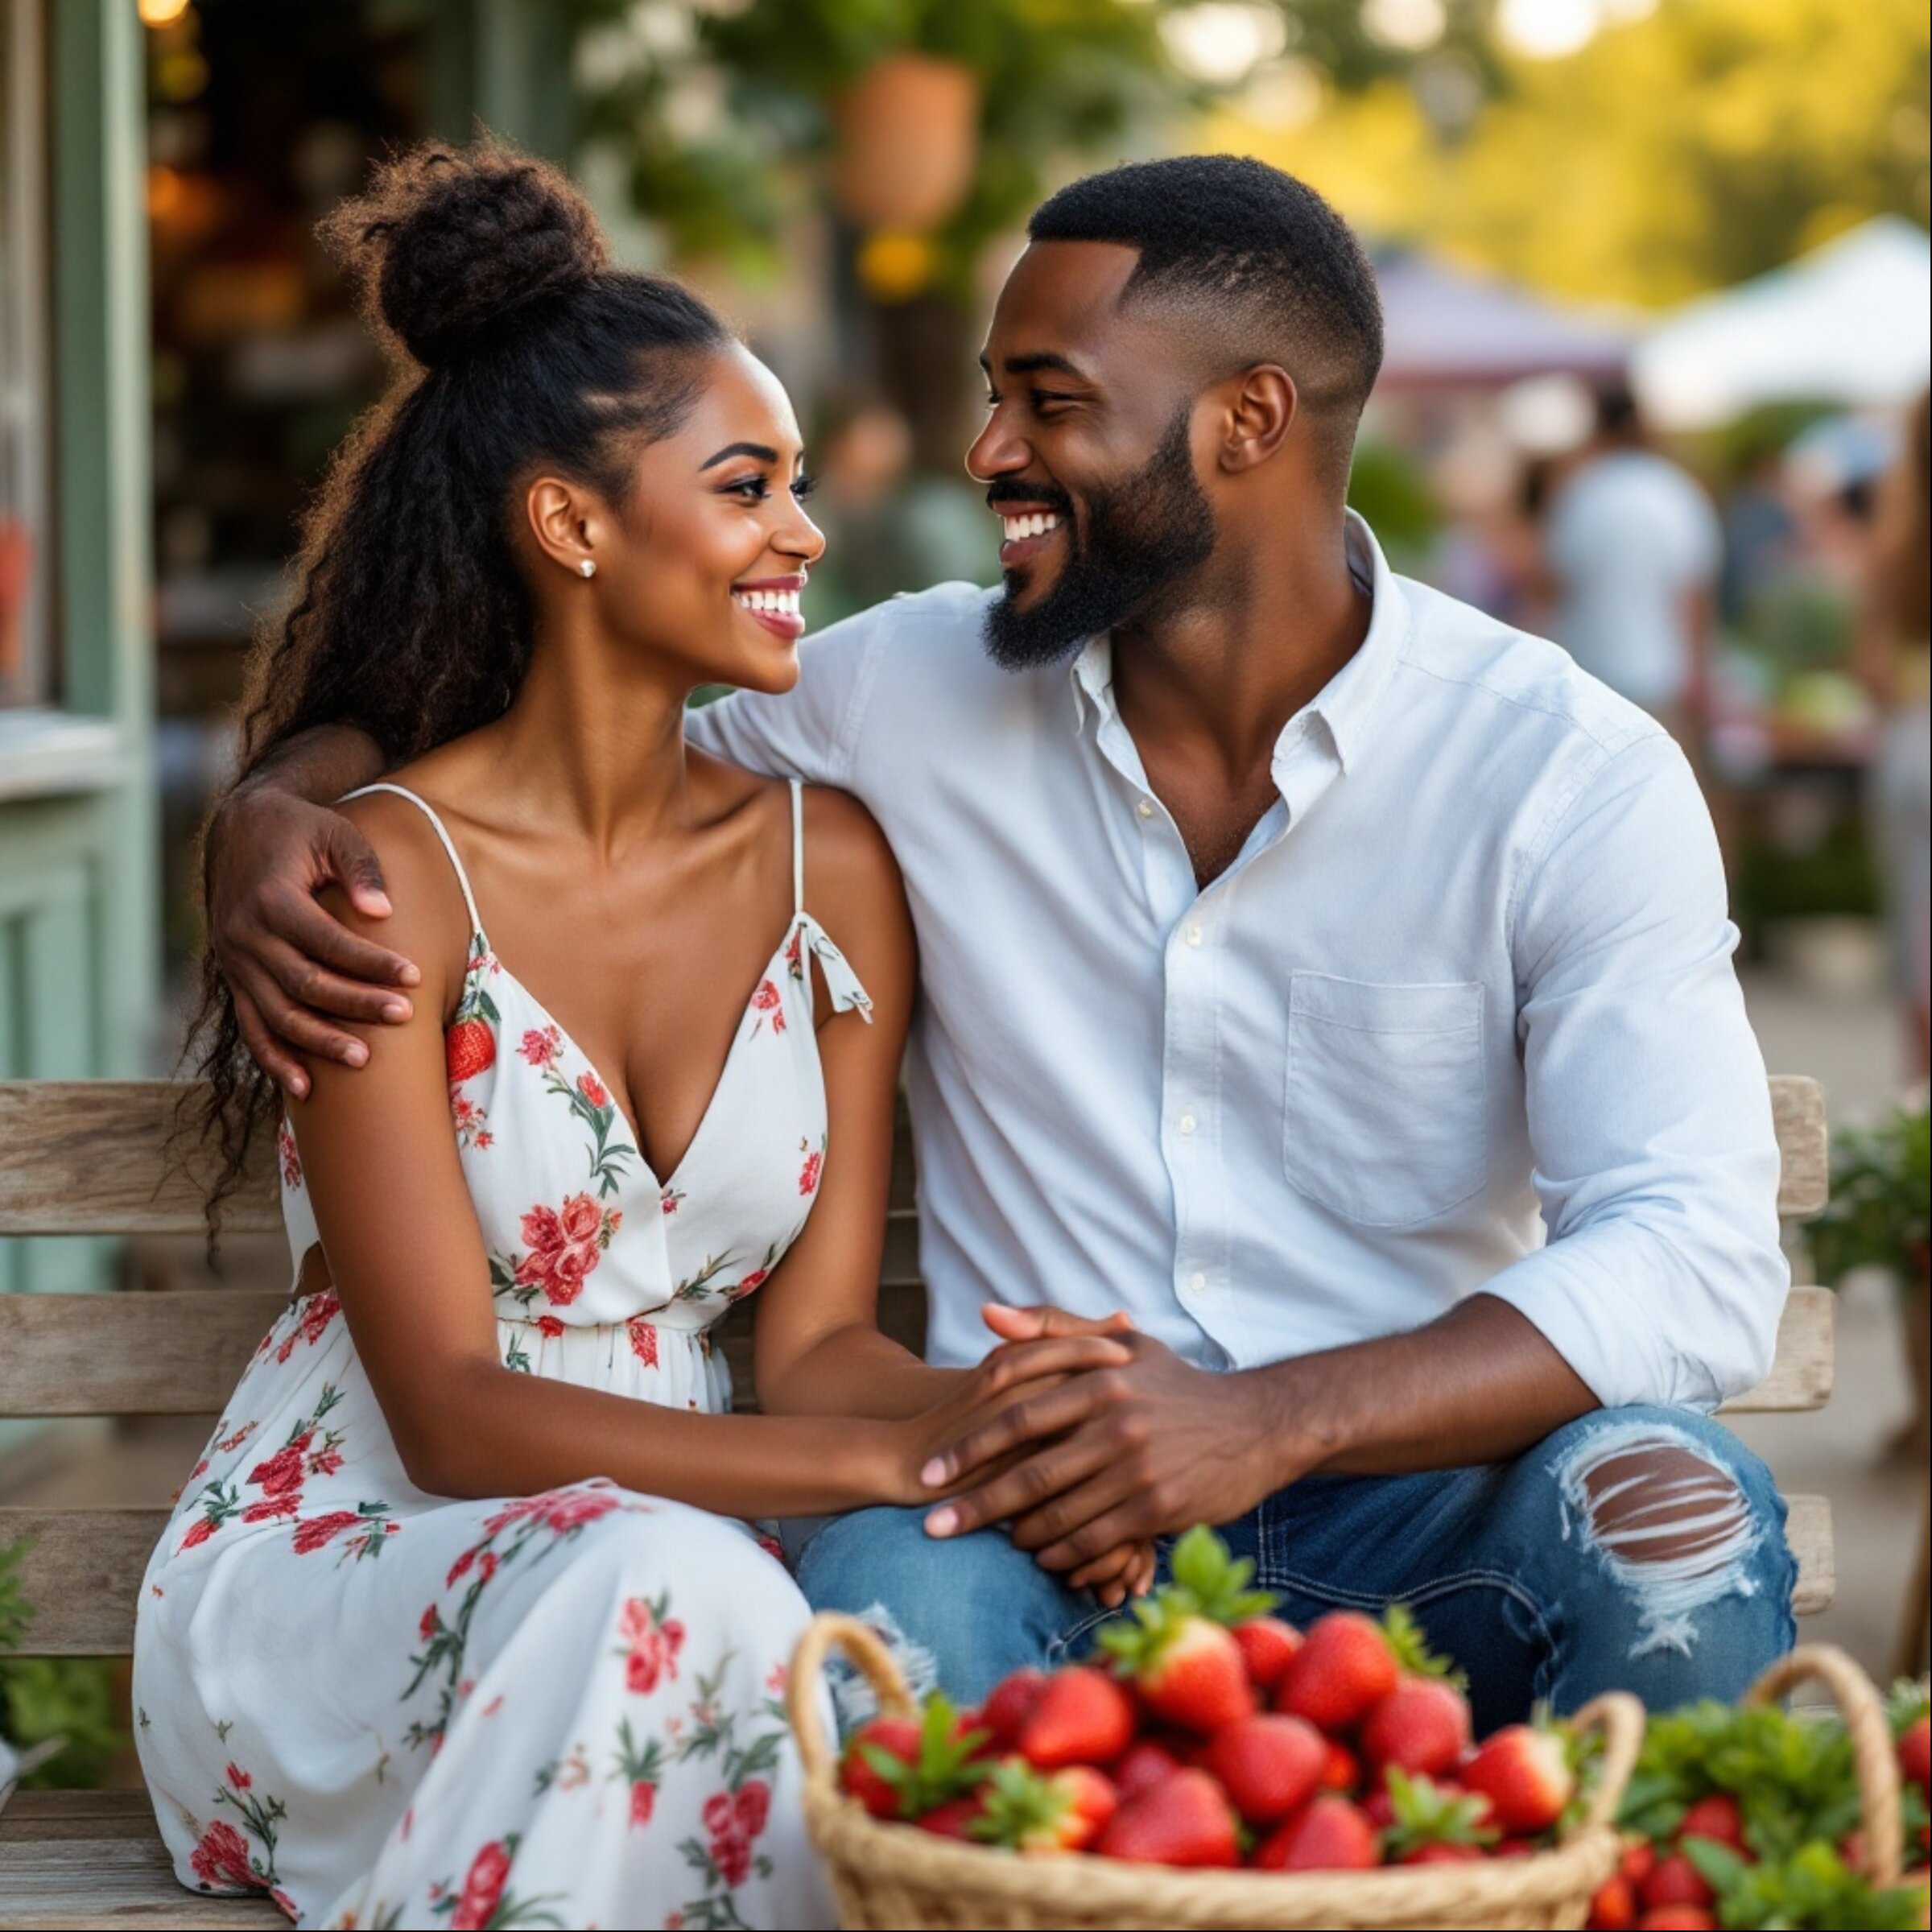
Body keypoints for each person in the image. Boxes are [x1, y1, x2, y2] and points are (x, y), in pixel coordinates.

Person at [204, 155, 1794, 1737]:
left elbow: (1697, 1252)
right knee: (888, 1620)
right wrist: (279, 803)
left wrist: (1266, 1420)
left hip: (1427, 1518)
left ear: (1249, 420)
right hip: (1014, 1522)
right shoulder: (892, 702)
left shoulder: (1558, 776)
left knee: (1679, 1518)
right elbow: (538, 738)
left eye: (1049, 401)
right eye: (992, 396)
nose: (989, 451)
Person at [136, 144, 1148, 1929]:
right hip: (366, 1585)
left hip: (684, 1560)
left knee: (727, 1621)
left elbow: (822, 1344)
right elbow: (448, 1418)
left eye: (800, 485)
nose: (806, 534)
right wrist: (891, 1464)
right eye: (748, 484)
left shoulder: (830, 865)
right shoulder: (387, 879)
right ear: (573, 525)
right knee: (678, 1603)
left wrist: (1017, 1419)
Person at [1544, 382, 1724, 748]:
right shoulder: (1675, 492)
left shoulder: (1582, 492)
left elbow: (1554, 584)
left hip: (1589, 672)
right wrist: (1699, 675)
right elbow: (1694, 594)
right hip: (1661, 675)